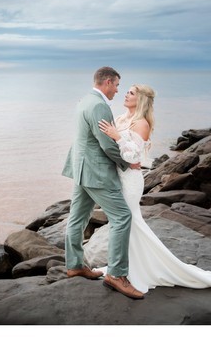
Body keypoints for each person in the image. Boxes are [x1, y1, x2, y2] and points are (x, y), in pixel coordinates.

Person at [96, 84, 211, 320]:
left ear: (140, 99)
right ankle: (122, 267)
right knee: (124, 223)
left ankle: (132, 270)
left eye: (130, 92)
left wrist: (117, 137)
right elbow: (113, 148)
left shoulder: (142, 123)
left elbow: (135, 157)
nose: (125, 95)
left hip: (130, 180)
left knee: (129, 222)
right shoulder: (120, 117)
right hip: (116, 177)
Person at [61, 67, 144, 300]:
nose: (118, 90)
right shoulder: (98, 105)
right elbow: (107, 145)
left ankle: (75, 265)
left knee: (77, 218)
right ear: (108, 82)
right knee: (122, 217)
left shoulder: (84, 101)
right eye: (117, 85)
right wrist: (129, 164)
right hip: (96, 172)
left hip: (81, 169)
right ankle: (117, 275)